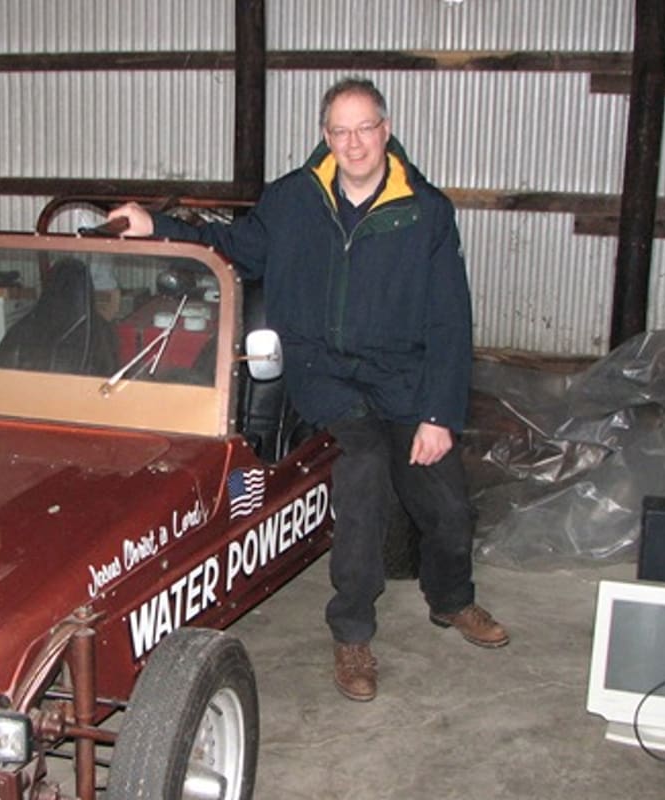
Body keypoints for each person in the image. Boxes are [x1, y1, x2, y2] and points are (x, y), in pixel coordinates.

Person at [108, 77, 508, 702]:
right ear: (326, 135)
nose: (354, 143)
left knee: (448, 506)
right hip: (324, 372)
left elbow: (450, 319)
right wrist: (155, 223)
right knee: (364, 473)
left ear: (386, 130)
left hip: (402, 374)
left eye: (365, 128)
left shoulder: (424, 210)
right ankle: (353, 633)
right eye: (340, 131)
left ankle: (452, 598)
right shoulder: (293, 199)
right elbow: (234, 247)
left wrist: (439, 413)